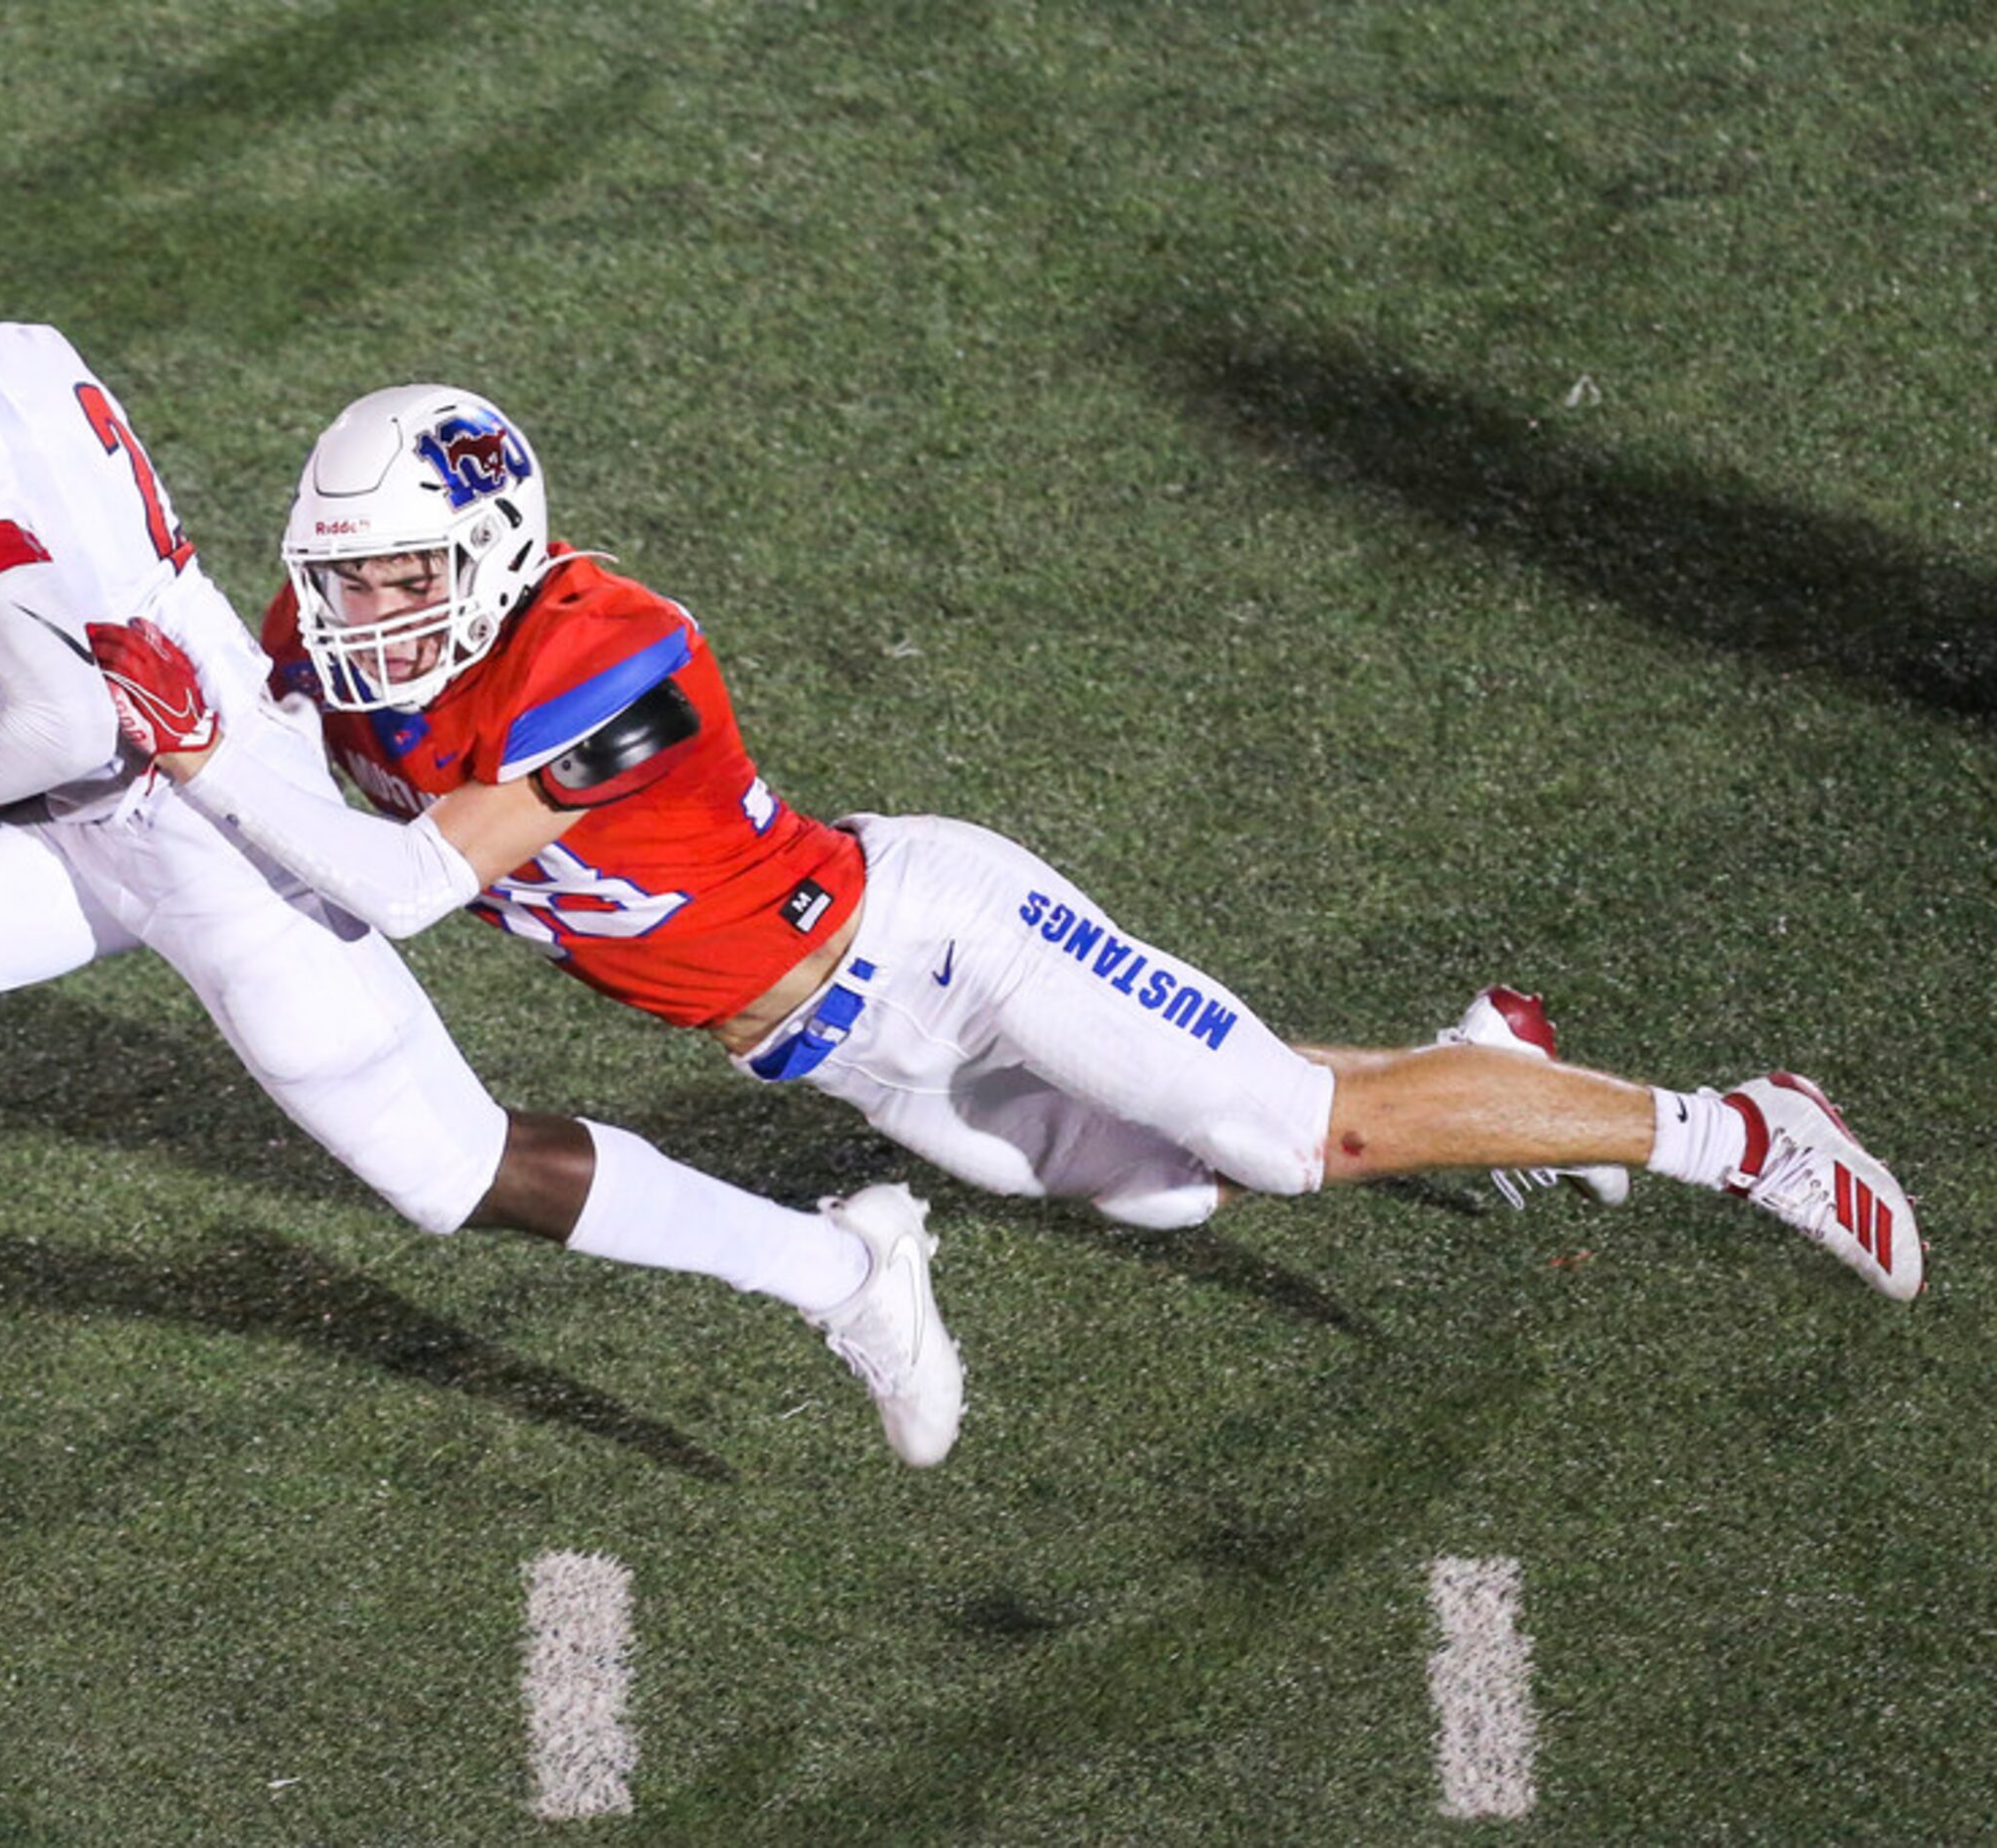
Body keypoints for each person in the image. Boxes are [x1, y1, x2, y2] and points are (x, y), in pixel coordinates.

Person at [0, 178, 964, 1524]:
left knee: (457, 1172)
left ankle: (845, 1266)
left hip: (211, 832)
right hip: (145, 801)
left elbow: (71, 721)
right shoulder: (9, 357)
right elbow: (67, 640)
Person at [133, 382, 1923, 1314]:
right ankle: (1496, 1070)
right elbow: (236, 713)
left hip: (934, 941)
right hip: (839, 1053)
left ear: (501, 551)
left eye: (396, 576)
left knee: (1298, 1138)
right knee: (1173, 1179)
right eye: (338, 572)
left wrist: (203, 746)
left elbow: (396, 882)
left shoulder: (622, 660)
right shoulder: (334, 663)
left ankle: (1740, 1130)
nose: (358, 611)